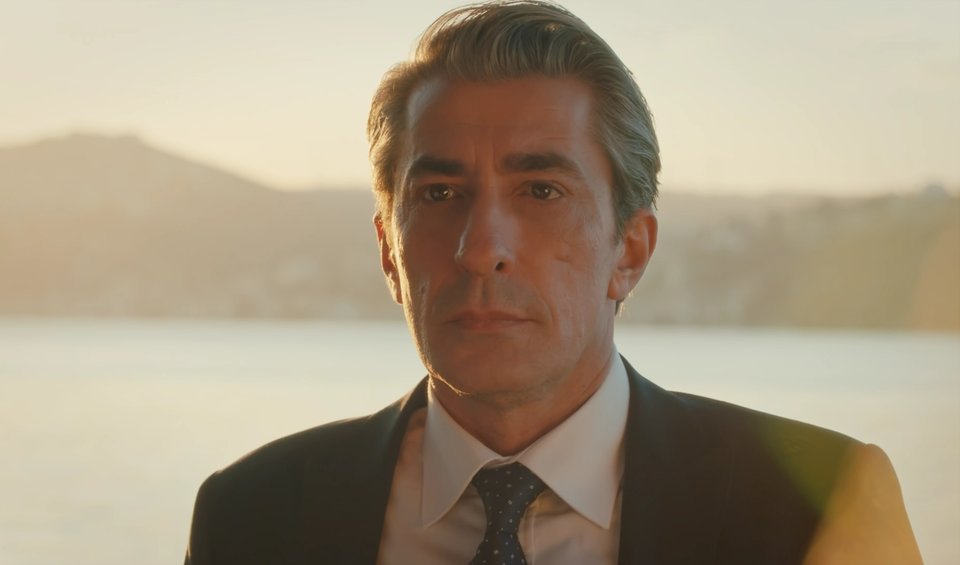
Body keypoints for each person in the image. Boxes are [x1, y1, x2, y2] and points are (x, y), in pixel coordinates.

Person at [184, 2, 922, 563]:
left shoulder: (819, 505)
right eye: (440, 194)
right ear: (388, 251)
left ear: (630, 250)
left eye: (541, 192)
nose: (481, 250)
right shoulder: (251, 517)